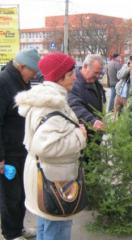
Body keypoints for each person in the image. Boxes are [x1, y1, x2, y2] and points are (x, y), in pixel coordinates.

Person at [15, 52, 87, 240]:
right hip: (54, 180)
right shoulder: (52, 104)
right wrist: (80, 136)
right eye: (71, 74)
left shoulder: (45, 98)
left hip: (45, 176)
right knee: (57, 230)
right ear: (60, 77)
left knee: (46, 227)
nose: (75, 77)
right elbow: (45, 147)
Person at [0, 49, 40, 240]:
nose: (34, 75)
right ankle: (10, 233)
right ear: (22, 66)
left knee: (23, 193)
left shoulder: (23, 82)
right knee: (10, 196)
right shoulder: (3, 82)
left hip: (23, 149)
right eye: (32, 71)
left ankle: (18, 228)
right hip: (8, 152)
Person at [68, 54, 106, 132]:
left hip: (95, 131)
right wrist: (92, 121)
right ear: (85, 66)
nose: (98, 76)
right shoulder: (74, 84)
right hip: (83, 132)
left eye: (99, 73)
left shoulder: (95, 82)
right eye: (95, 73)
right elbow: (75, 106)